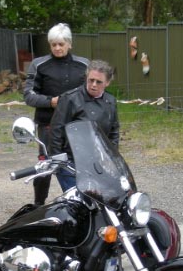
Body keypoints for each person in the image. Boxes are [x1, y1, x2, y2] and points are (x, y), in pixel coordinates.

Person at [23, 23, 89, 205]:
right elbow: (28, 95)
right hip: (48, 125)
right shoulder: (39, 65)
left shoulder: (84, 65)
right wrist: (51, 101)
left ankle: (79, 202)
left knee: (79, 164)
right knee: (46, 165)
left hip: (77, 125)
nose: (57, 48)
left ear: (69, 44)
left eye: (61, 44)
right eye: (54, 45)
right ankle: (38, 204)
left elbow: (90, 93)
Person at [50, 59, 120, 191]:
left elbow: (114, 131)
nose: (93, 85)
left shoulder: (110, 101)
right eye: (90, 80)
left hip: (99, 161)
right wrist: (58, 159)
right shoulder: (70, 99)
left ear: (107, 83)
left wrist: (112, 156)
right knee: (78, 197)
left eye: (98, 82)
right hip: (72, 161)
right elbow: (56, 129)